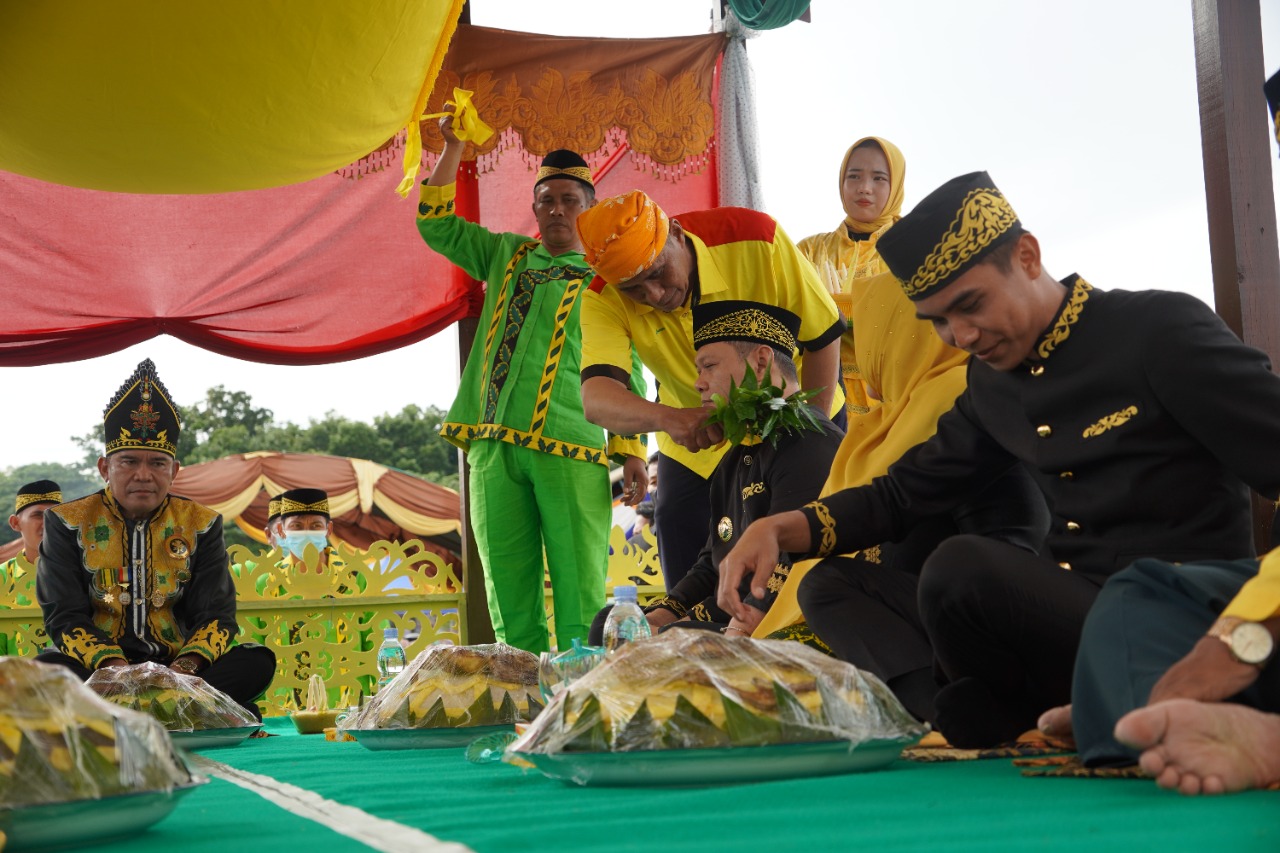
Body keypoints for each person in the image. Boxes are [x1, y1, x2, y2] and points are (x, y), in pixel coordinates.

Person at [718, 170, 1280, 747]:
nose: (959, 335)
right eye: (938, 321)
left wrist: (1251, 630)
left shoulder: (1158, 330)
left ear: (1028, 256)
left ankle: (1088, 708)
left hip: (1189, 613)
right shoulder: (994, 385)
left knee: (960, 568)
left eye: (970, 305)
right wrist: (781, 528)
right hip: (1080, 616)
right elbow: (905, 493)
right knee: (831, 584)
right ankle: (1025, 711)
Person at [417, 115, 642, 654]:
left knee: (581, 590)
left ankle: (579, 702)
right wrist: (452, 148)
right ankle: (521, 701)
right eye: (547, 200)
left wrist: (631, 448)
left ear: (590, 209)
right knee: (507, 590)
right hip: (492, 445)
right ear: (535, 209)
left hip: (572, 443)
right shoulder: (506, 255)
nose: (557, 209)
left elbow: (628, 364)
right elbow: (436, 225)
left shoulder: (607, 278)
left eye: (569, 199)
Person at [575, 189, 846, 589]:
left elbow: (822, 335)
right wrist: (671, 420)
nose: (653, 295)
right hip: (693, 438)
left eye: (657, 272)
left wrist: (808, 435)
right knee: (685, 549)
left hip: (797, 416)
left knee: (802, 561)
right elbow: (596, 396)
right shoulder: (602, 294)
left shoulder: (755, 237)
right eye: (633, 289)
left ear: (678, 236)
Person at [589, 299, 844, 643]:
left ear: (762, 360)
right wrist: (661, 614)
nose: (698, 383)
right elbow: (713, 561)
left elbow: (789, 567)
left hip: (784, 628)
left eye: (708, 366)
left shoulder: (807, 441)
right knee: (612, 623)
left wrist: (672, 631)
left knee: (655, 639)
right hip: (732, 620)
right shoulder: (737, 456)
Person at [35, 359, 276, 718]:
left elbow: (216, 616)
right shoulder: (66, 522)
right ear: (105, 468)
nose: (143, 475)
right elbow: (64, 615)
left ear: (174, 471)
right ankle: (197, 713)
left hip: (179, 669)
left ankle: (140, 712)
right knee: (46, 672)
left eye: (158, 464)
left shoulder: (201, 523)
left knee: (256, 661)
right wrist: (118, 670)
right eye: (128, 462)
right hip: (101, 673)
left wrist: (182, 672)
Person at [798, 136, 906, 414]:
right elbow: (786, 317)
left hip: (895, 399)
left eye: (879, 179)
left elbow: (926, 325)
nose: (864, 188)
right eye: (854, 176)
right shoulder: (811, 250)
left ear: (896, 185)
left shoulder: (915, 247)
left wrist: (848, 310)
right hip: (824, 399)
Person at [1, 480, 62, 608]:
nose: (48, 523)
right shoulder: (3, 576)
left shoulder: (81, 570)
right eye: (38, 515)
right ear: (15, 523)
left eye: (55, 515)